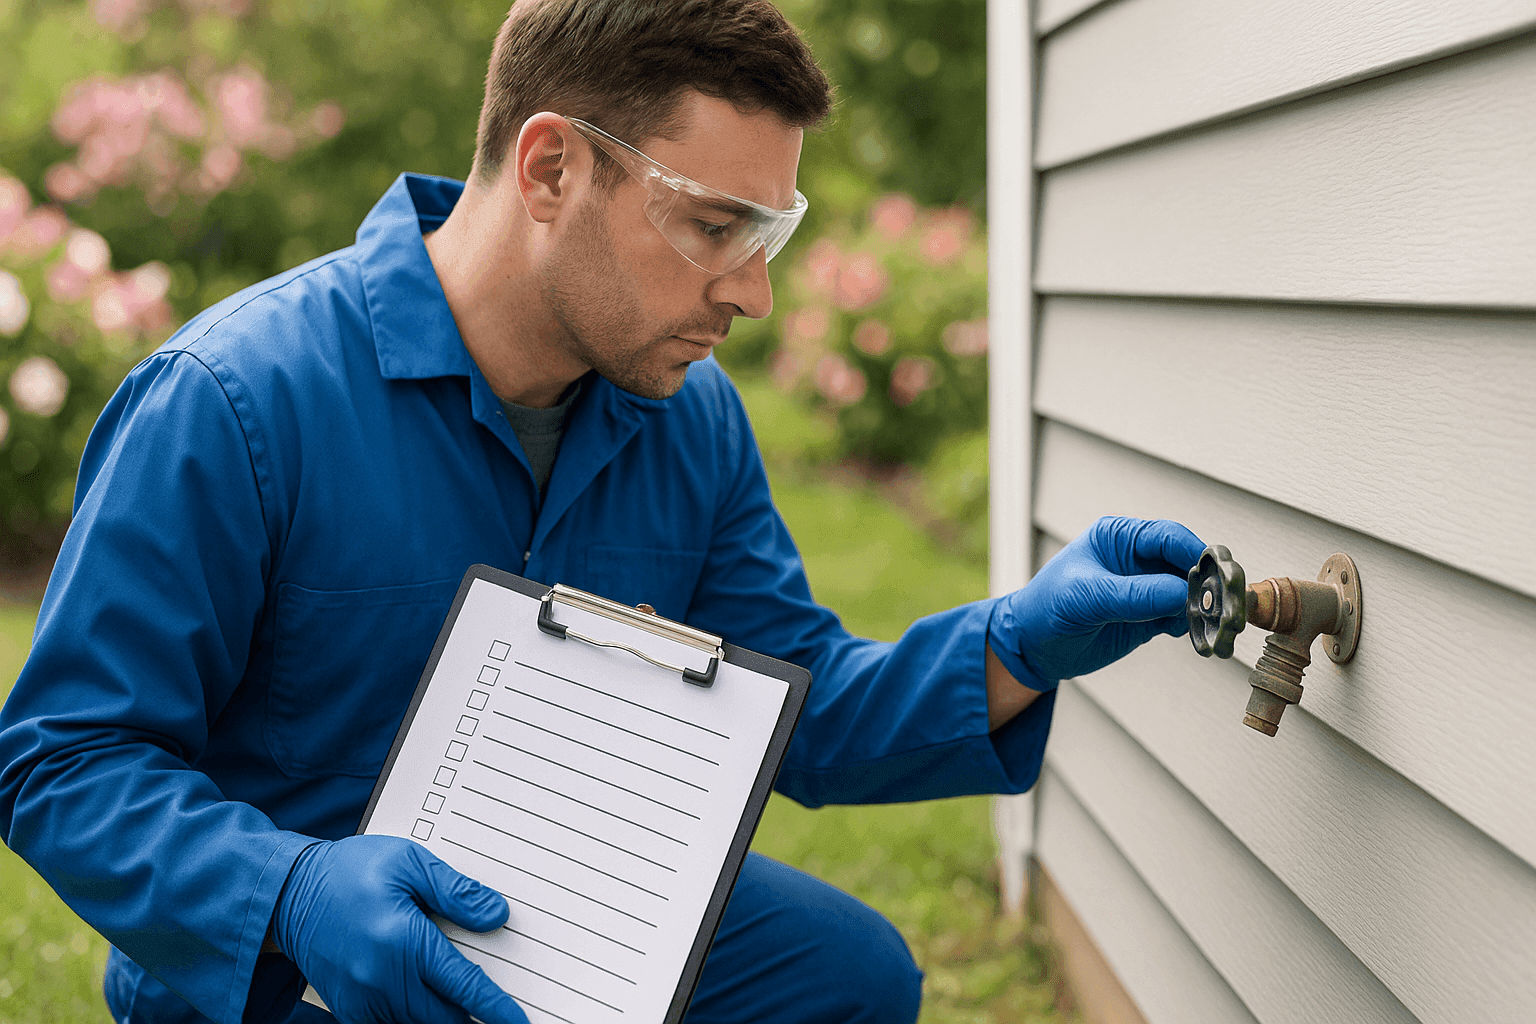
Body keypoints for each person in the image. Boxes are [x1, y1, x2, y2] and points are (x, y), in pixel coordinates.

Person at [0, 2, 1206, 1023]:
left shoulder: (691, 417)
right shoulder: (235, 399)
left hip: (570, 915)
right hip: (291, 968)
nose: (756, 292)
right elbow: (64, 757)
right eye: (716, 226)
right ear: (551, 170)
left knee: (848, 976)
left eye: (771, 233)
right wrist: (293, 891)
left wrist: (1014, 645)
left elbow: (793, 703)